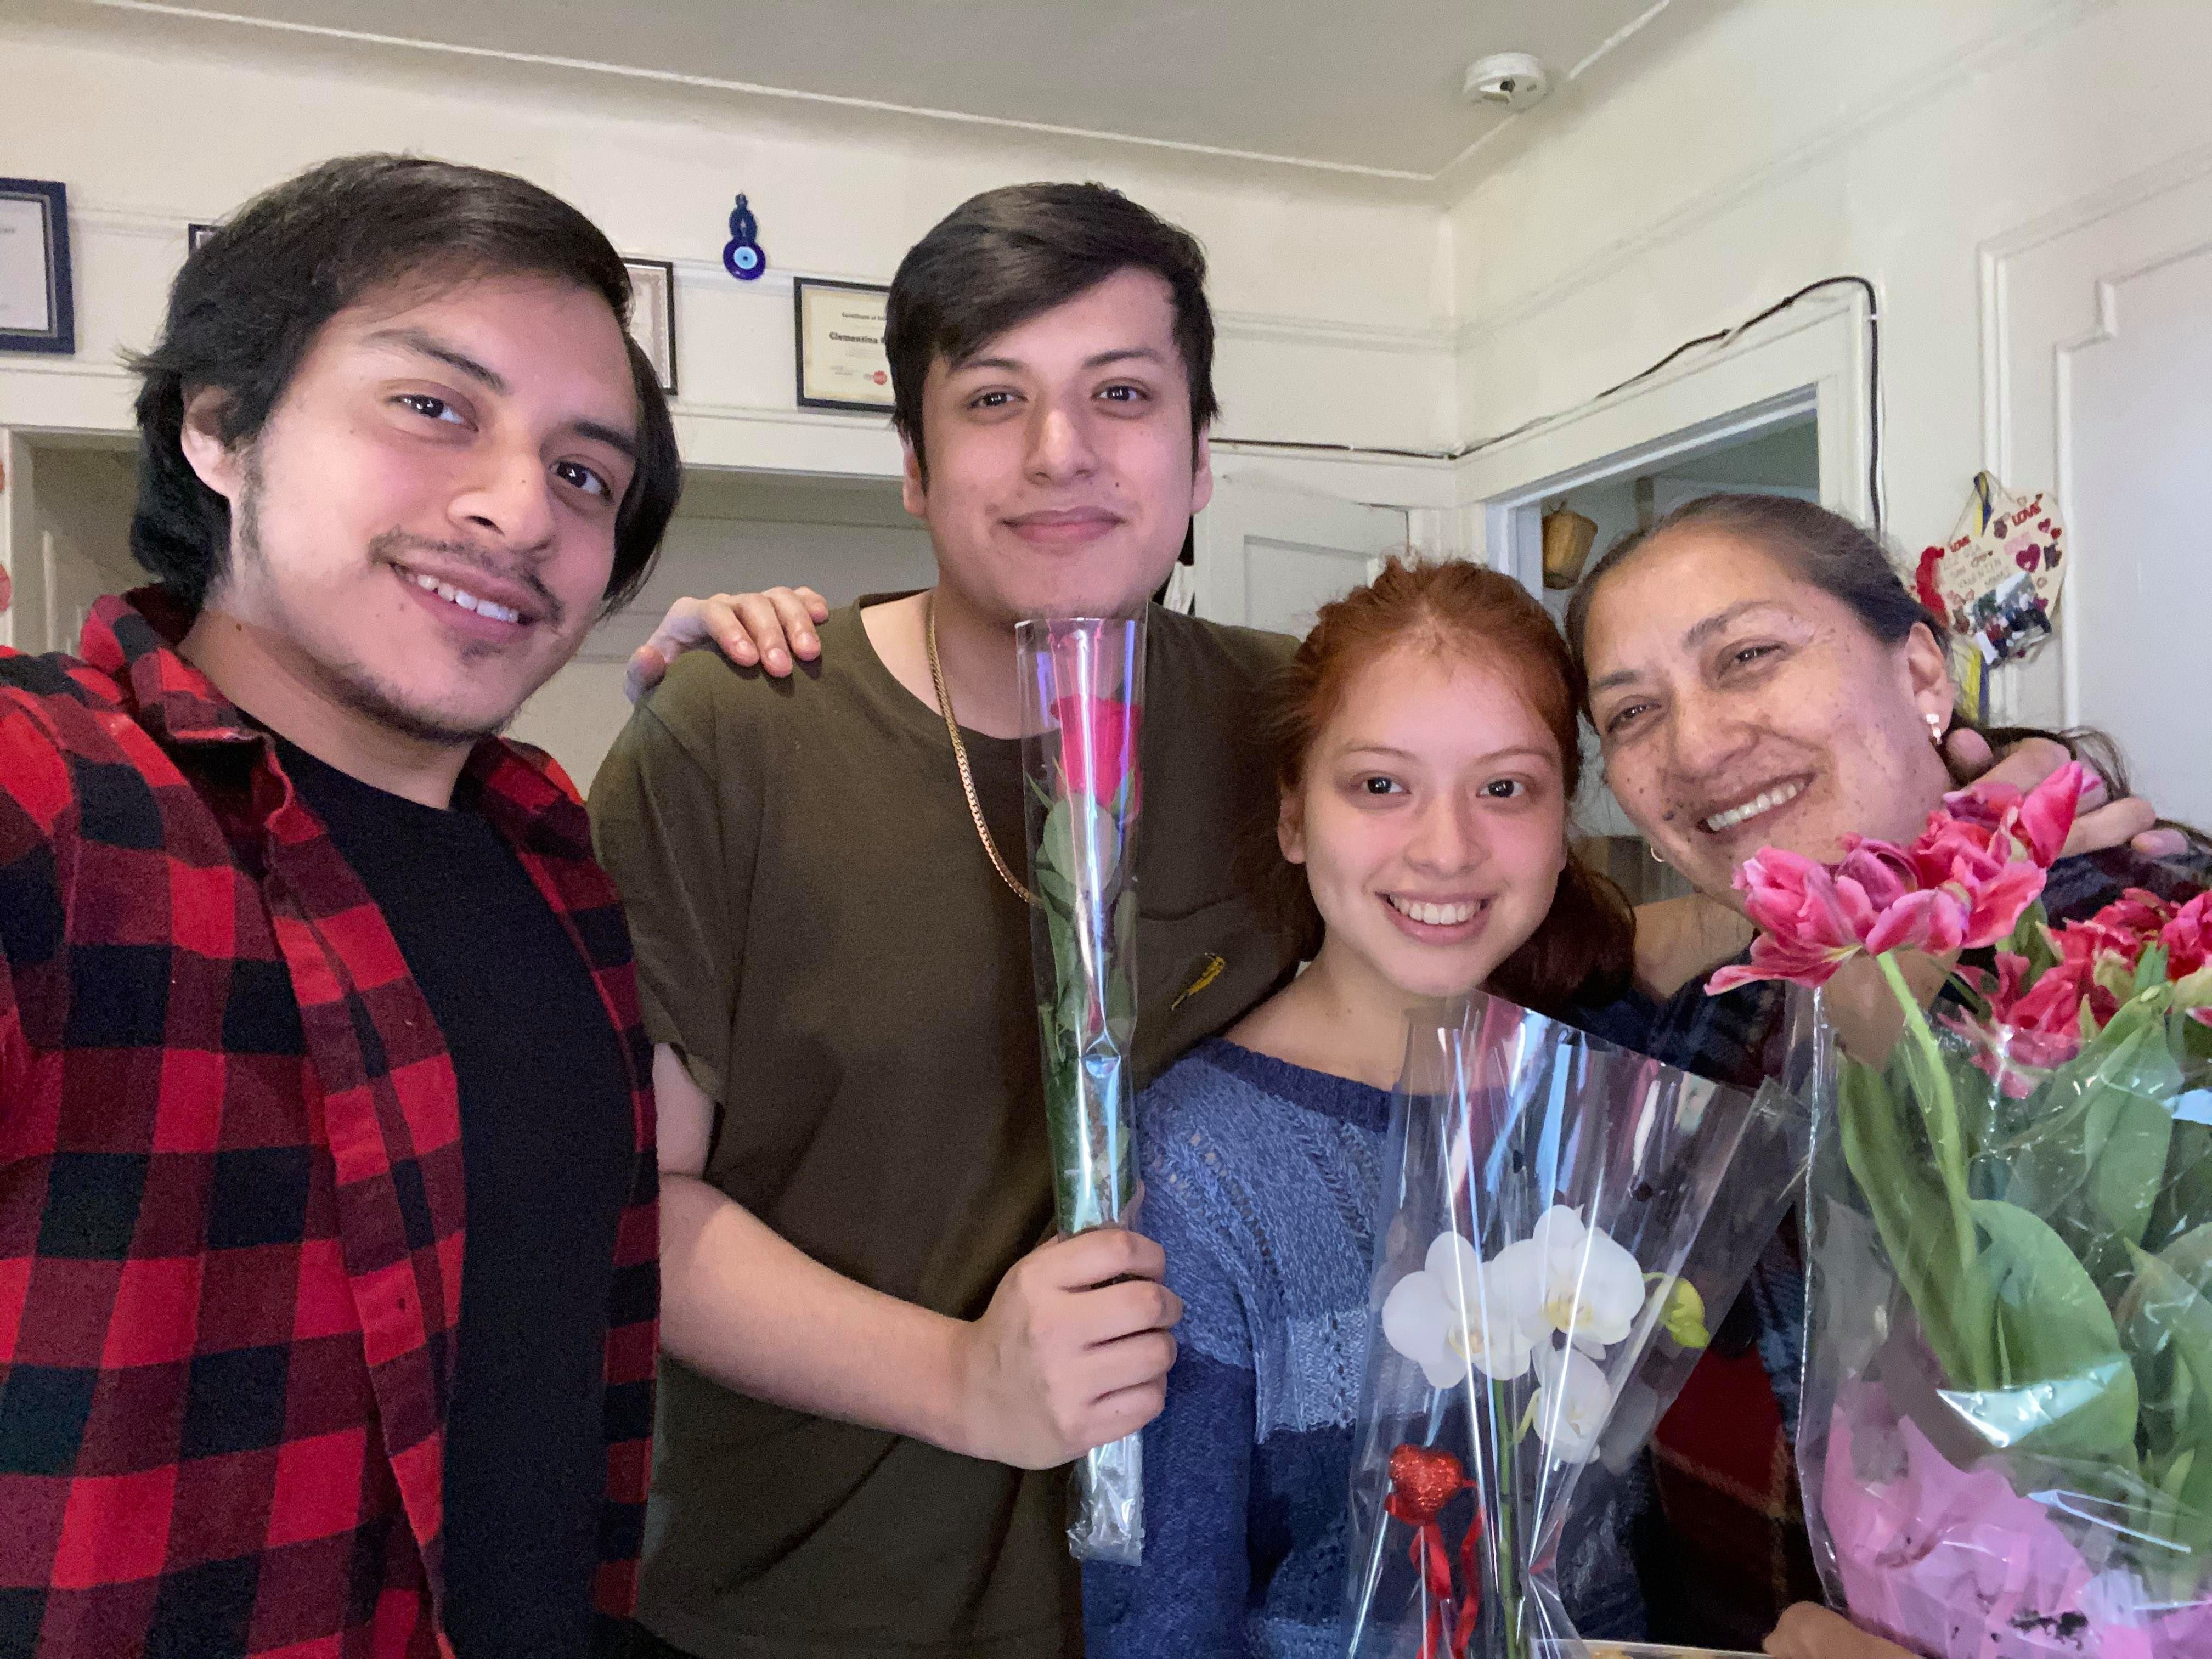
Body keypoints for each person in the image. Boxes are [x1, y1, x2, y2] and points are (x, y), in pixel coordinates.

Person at [588, 183, 1308, 1658]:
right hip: (809, 1603)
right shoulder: (738, 734)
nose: (1064, 452)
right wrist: (963, 1381)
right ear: (914, 468)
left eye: (1122, 392)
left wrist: (1896, 841)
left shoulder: (1299, 724)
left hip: (1212, 1605)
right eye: (995, 399)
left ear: (1199, 457)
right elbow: (630, 1211)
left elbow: (1548, 948)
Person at [0, 154, 683, 1657]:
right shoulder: (46, 790)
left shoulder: (547, 848)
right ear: (222, 425)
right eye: (434, 407)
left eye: (586, 472)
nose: (520, 509)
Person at [1561, 492, 2210, 1659]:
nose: (1696, 748)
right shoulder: (1696, 1047)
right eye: (1631, 713)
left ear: (1922, 670)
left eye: (1749, 655)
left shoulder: (2159, 972)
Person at [1079, 557, 1650, 1656]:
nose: (1446, 849)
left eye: (1506, 788)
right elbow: (1163, 1607)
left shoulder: (1608, 1098)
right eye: (1381, 785)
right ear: (1294, 815)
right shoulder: (1193, 1163)